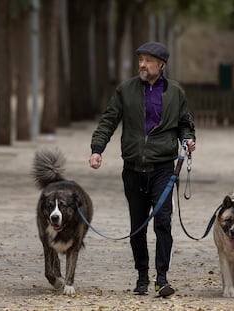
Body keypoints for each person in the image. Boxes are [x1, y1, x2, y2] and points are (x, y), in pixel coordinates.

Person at [88, 41, 196, 297]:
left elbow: (185, 123)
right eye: (140, 60)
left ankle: (162, 278)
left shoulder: (175, 92)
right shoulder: (126, 90)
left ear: (161, 65)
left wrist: (188, 139)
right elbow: (108, 120)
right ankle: (142, 275)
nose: (142, 65)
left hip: (162, 168)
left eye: (148, 60)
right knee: (137, 225)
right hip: (133, 169)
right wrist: (97, 149)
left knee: (163, 222)